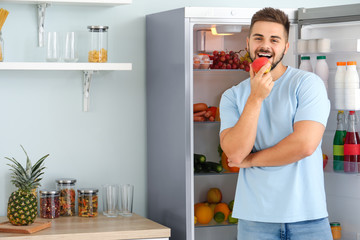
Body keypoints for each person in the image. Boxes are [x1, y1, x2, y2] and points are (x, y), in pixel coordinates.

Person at [219, 7, 332, 240]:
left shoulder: (307, 84)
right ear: (248, 42)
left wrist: (250, 160)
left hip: (307, 217)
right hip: (255, 220)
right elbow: (234, 152)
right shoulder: (232, 96)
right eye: (259, 38)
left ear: (285, 47)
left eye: (274, 39)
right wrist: (255, 98)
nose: (265, 45)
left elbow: (304, 145)